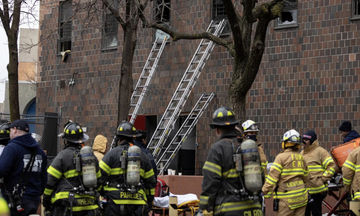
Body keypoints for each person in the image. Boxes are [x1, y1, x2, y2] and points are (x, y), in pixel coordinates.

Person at [199, 107, 263, 216]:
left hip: (230, 209)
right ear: (235, 126)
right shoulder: (249, 147)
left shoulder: (218, 149)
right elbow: (261, 178)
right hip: (254, 209)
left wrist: (203, 207)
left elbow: (210, 182)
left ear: (217, 129)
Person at [43, 120, 101, 216]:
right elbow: (99, 181)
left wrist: (46, 202)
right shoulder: (92, 157)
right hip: (89, 206)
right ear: (82, 139)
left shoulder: (62, 156)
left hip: (67, 206)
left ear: (66, 140)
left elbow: (49, 182)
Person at [99, 121, 156, 216]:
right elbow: (151, 183)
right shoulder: (143, 156)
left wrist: (105, 193)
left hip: (115, 203)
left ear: (118, 139)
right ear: (133, 138)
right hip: (138, 204)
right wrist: (149, 204)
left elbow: (99, 178)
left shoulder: (111, 155)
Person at [0, 119, 47, 216]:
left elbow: (2, 170)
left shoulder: (12, 148)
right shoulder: (39, 151)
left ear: (15, 130)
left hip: (14, 201)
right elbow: (44, 177)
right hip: (34, 199)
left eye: (10, 131)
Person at [262, 129, 308, 216]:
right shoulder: (301, 157)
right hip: (301, 198)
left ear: (285, 143)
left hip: (286, 200)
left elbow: (272, 178)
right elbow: (306, 177)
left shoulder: (281, 157)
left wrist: (264, 191)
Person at [300, 130, 336, 216]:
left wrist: (322, 179)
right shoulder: (301, 153)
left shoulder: (321, 151)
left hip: (316, 190)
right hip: (304, 191)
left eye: (306, 140)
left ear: (312, 141)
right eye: (303, 139)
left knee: (316, 213)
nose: (303, 142)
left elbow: (331, 166)